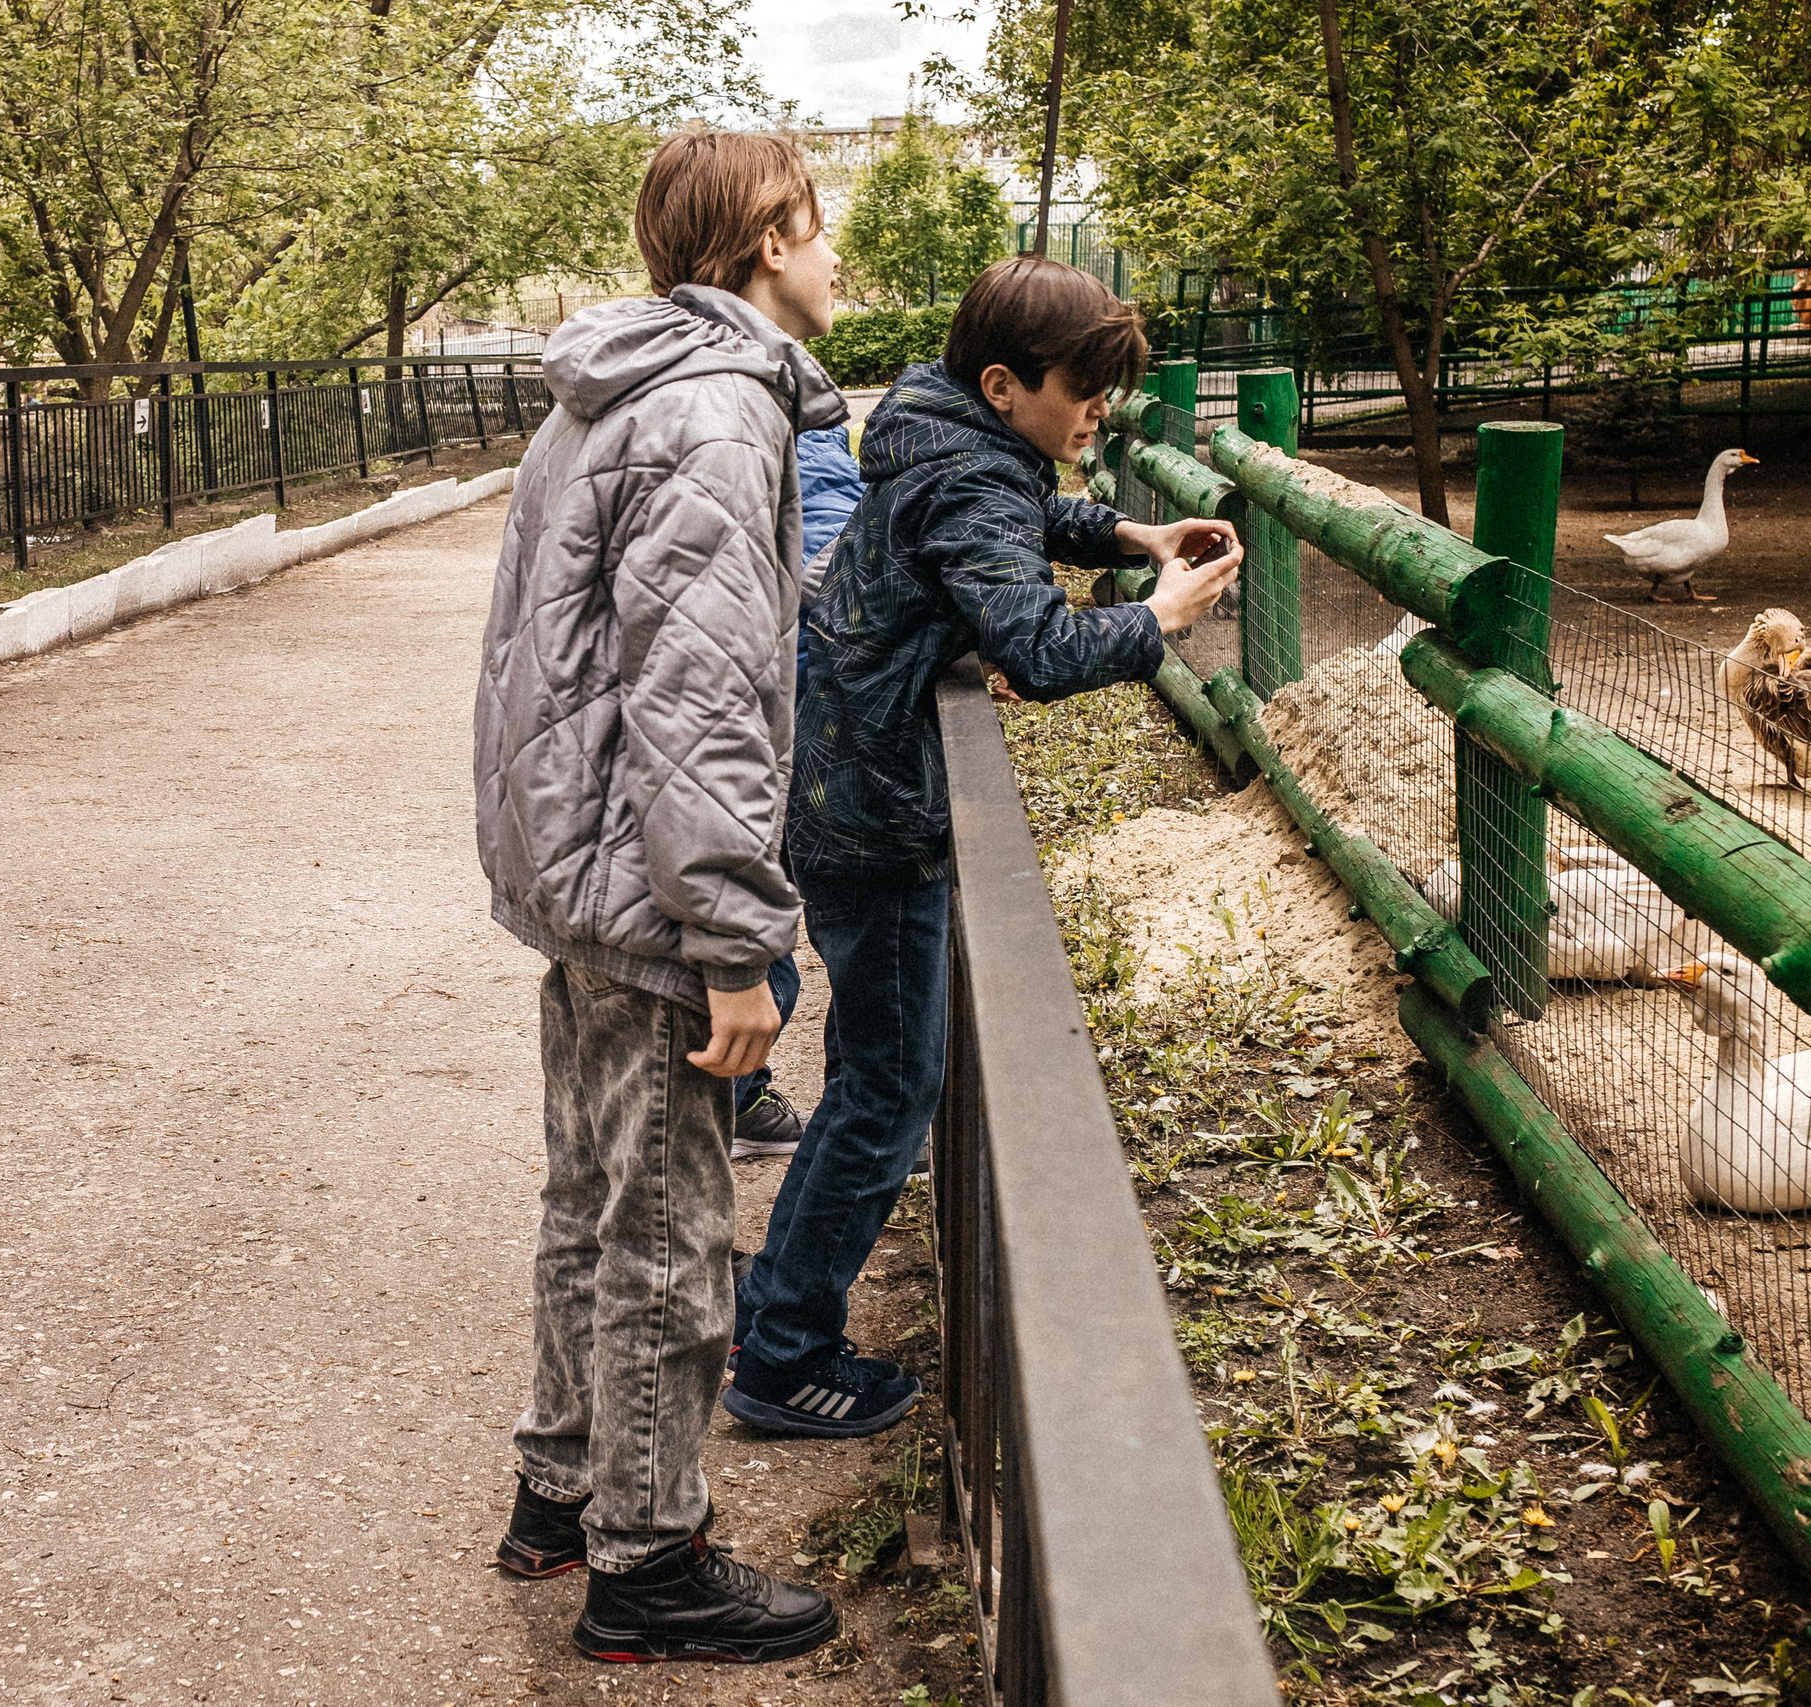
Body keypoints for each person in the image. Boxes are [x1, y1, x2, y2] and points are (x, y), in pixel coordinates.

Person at [725, 255, 1244, 1438]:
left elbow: (1017, 517)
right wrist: (1158, 615)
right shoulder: (971, 475)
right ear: (1006, 385)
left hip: (845, 785)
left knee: (873, 1075)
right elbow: (1039, 646)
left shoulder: (937, 429)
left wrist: (1130, 532)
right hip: (877, 816)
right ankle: (783, 1350)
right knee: (886, 1091)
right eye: (1085, 394)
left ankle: (770, 1308)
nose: (1097, 415)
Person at [474, 129, 848, 1665]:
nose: (838, 260)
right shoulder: (711, 412)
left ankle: (560, 1489)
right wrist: (740, 937)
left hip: (579, 870)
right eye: (822, 230)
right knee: (671, 1233)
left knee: (589, 1200)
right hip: (645, 888)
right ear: (765, 242)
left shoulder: (622, 390)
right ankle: (647, 1559)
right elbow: (697, 703)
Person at [729, 423, 868, 1162]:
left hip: (772, 716)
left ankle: (739, 1096)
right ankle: (731, 1096)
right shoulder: (793, 438)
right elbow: (836, 577)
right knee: (764, 931)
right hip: (796, 724)